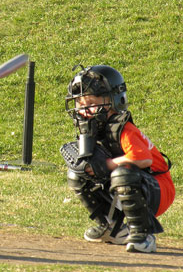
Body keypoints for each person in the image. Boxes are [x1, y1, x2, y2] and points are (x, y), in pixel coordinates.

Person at [60, 65, 175, 253]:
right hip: (136, 182)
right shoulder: (92, 128)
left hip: (158, 188)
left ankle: (143, 234)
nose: (84, 110)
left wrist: (107, 165)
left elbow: (142, 159)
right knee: (77, 174)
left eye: (91, 103)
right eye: (80, 104)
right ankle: (114, 227)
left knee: (122, 174)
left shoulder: (123, 129)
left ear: (113, 100)